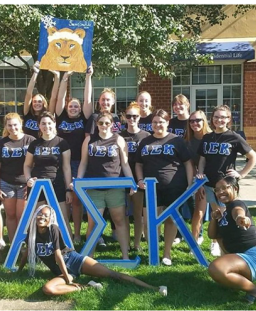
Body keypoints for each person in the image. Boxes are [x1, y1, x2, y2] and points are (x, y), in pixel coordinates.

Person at [18, 204, 167, 296]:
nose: (41, 217)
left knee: (112, 275)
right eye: (39, 214)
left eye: (46, 215)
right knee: (48, 289)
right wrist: (19, 271)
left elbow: (58, 255)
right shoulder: (32, 233)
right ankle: (87, 287)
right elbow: (27, 251)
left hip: (74, 260)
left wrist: (67, 279)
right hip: (63, 271)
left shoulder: (54, 229)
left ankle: (154, 288)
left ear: (51, 219)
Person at [197, 105, 256, 256]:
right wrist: (199, 172)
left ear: (229, 119)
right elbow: (202, 159)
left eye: (223, 117)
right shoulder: (207, 137)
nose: (219, 120)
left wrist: (241, 174)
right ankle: (216, 244)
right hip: (210, 184)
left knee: (227, 215)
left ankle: (230, 244)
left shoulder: (234, 137)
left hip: (226, 186)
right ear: (212, 119)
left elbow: (253, 157)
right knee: (216, 214)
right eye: (216, 117)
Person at [135, 109, 193, 266]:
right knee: (148, 222)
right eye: (154, 122)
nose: (157, 125)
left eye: (161, 122)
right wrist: (139, 179)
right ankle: (153, 251)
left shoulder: (177, 141)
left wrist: (189, 184)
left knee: (171, 220)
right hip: (150, 188)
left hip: (174, 187)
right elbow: (138, 163)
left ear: (167, 123)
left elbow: (188, 163)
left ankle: (166, 253)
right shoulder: (145, 142)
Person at [207, 176, 256, 304]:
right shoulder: (224, 213)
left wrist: (240, 218)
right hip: (244, 256)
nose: (220, 192)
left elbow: (238, 211)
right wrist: (214, 218)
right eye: (216, 190)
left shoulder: (236, 204)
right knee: (222, 278)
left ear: (235, 188)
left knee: (216, 268)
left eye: (224, 188)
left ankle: (255, 290)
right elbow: (212, 235)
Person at [77, 113, 136, 259]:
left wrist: (132, 182)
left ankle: (125, 256)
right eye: (101, 123)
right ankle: (89, 257)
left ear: (112, 124)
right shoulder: (89, 140)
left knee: (119, 220)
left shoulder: (119, 139)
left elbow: (125, 164)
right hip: (94, 188)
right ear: (96, 124)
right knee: (93, 223)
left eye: (107, 123)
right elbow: (83, 162)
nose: (104, 126)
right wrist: (78, 180)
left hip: (115, 187)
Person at [55, 66, 93, 244]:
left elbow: (87, 98)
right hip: (60, 163)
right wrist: (65, 77)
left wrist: (88, 77)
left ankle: (77, 234)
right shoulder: (60, 117)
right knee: (62, 199)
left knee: (76, 201)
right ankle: (64, 233)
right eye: (71, 106)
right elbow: (60, 97)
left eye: (76, 106)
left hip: (78, 163)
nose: (73, 108)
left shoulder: (84, 119)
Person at [24, 112, 73, 237]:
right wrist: (28, 179)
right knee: (37, 219)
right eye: (43, 123)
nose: (46, 126)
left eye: (49, 123)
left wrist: (68, 189)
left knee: (62, 218)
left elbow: (66, 167)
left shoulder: (62, 143)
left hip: (57, 184)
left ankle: (69, 248)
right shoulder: (34, 144)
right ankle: (37, 246)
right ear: (39, 126)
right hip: (37, 185)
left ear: (54, 124)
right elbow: (27, 165)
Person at [0, 113, 35, 243]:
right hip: (6, 183)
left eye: (15, 124)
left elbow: (37, 163)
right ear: (6, 126)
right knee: (10, 215)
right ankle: (13, 244)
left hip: (25, 184)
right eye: (9, 125)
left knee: (22, 216)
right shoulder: (1, 143)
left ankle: (23, 243)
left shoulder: (30, 140)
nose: (13, 127)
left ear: (20, 124)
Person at [119, 102, 150, 251]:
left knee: (138, 214)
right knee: (123, 214)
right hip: (121, 178)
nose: (132, 119)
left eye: (135, 116)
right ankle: (125, 243)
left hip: (139, 178)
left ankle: (137, 243)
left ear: (140, 117)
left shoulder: (146, 136)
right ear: (125, 117)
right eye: (129, 116)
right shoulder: (119, 136)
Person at [185, 110, 214, 247]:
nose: (194, 123)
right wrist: (194, 181)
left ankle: (216, 242)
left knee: (218, 212)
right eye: (191, 121)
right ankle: (195, 242)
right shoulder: (188, 140)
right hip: (199, 179)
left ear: (204, 121)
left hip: (214, 179)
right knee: (198, 212)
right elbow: (189, 162)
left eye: (198, 120)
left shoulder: (212, 137)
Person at [168, 94, 191, 245]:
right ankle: (177, 234)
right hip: (174, 165)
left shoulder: (193, 121)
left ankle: (198, 233)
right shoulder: (170, 122)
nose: (178, 107)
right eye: (175, 105)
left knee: (193, 202)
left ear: (187, 105)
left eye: (181, 104)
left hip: (191, 163)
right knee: (178, 202)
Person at [23, 61, 59, 138]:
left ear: (44, 103)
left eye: (39, 101)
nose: (37, 103)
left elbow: (53, 97)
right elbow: (29, 93)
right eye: (34, 101)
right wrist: (35, 72)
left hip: (43, 146)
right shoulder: (27, 114)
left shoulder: (48, 114)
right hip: (28, 146)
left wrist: (57, 77)